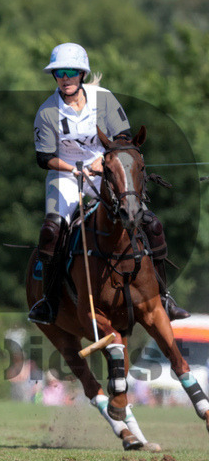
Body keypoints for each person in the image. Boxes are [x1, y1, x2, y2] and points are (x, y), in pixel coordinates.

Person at [27, 42, 189, 325]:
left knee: (151, 224)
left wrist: (102, 163)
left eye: (71, 72)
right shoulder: (47, 112)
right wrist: (74, 169)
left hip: (109, 173)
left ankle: (164, 297)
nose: (65, 78)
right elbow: (44, 158)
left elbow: (124, 141)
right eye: (59, 73)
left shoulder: (104, 99)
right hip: (65, 177)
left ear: (81, 74)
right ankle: (49, 301)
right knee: (52, 229)